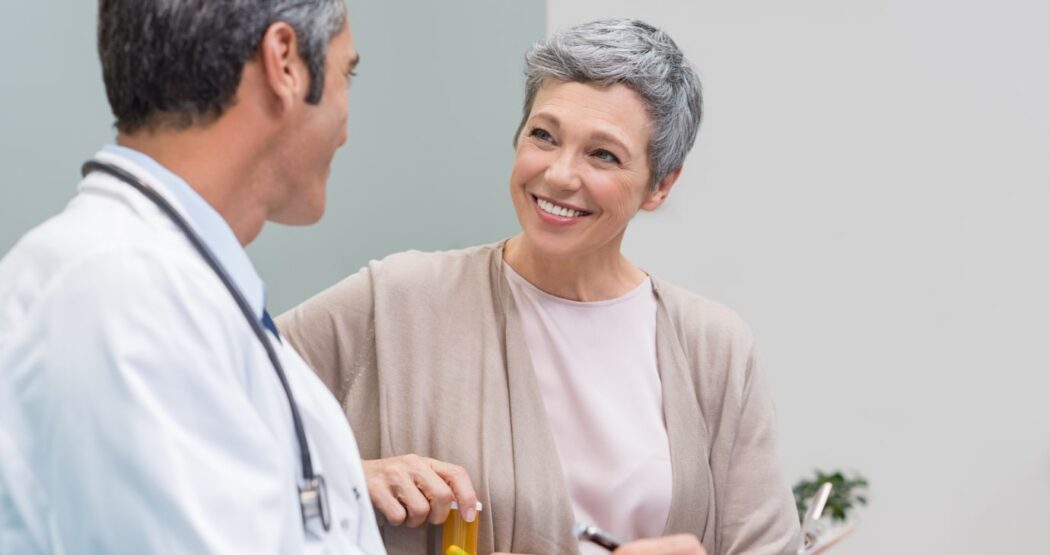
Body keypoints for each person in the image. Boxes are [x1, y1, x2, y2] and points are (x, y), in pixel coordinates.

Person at [279, 18, 800, 555]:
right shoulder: (395, 300)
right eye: (543, 136)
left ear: (661, 184)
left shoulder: (714, 349)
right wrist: (346, 473)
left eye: (603, 154)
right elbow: (205, 419)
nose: (558, 175)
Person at [0, 1, 400, 552]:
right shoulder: (122, 292)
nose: (346, 124)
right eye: (345, 74)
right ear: (284, 61)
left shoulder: (163, 282)